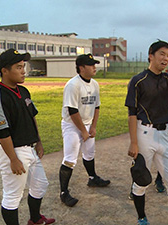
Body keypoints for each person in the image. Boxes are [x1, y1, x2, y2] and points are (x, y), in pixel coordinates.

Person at [125, 40, 168, 225]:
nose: (165, 58)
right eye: (162, 54)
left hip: (163, 134)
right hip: (144, 134)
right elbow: (131, 113)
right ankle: (142, 218)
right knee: (142, 179)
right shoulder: (138, 81)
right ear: (150, 55)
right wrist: (133, 142)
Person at [0, 49, 55, 225]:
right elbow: (2, 132)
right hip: (14, 150)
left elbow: (32, 117)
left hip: (29, 148)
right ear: (4, 71)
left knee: (40, 185)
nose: (23, 71)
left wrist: (38, 142)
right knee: (12, 196)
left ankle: (35, 219)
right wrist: (13, 159)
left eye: (23, 66)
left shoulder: (23, 91)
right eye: (18, 67)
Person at [59, 53, 110, 207]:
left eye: (95, 64)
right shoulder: (73, 85)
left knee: (89, 153)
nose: (95, 67)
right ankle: (63, 192)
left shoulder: (94, 84)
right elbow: (72, 110)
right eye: (90, 65)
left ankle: (92, 178)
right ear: (81, 68)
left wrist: (93, 127)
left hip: (87, 124)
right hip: (72, 125)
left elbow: (97, 106)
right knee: (70, 159)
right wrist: (83, 131)